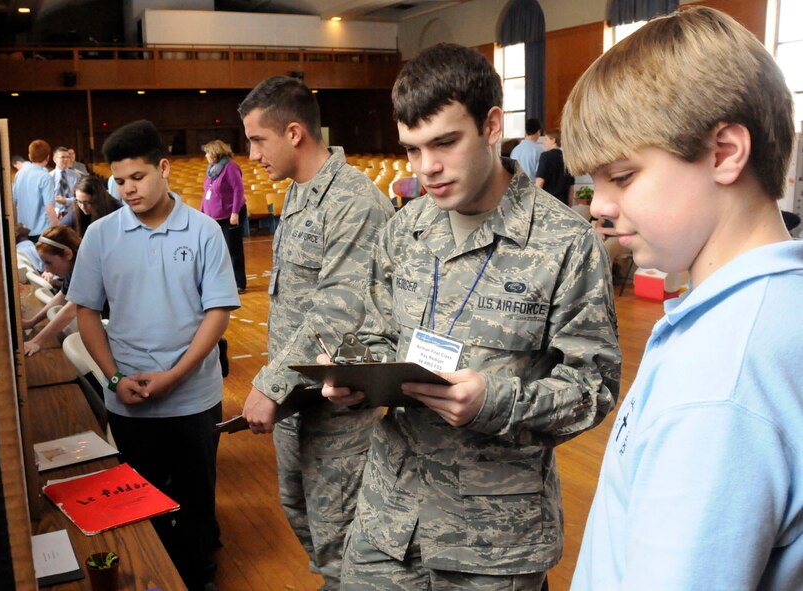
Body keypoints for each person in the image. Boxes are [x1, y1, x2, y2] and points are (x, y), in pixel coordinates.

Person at [322, 43, 621, 590]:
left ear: (490, 126)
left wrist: (495, 401)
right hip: (388, 523)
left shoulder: (566, 243)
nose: (426, 168)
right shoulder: (404, 228)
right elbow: (376, 334)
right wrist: (353, 374)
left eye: (444, 142)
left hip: (493, 543)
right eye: (411, 150)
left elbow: (594, 387)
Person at [561, 8, 802, 590]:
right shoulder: (770, 307)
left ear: (724, 153)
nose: (599, 204)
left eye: (623, 176)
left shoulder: (720, 379)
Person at [67, 119, 240, 591]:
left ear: (163, 168)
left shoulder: (204, 231)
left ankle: (199, 575)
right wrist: (113, 377)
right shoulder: (101, 235)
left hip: (193, 398)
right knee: (143, 499)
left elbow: (218, 312)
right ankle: (157, 576)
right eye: (119, 180)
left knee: (196, 498)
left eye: (138, 177)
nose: (128, 189)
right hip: (129, 398)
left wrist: (177, 376)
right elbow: (86, 314)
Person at [238, 75, 395, 589]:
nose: (253, 153)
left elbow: (338, 308)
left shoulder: (352, 200)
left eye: (259, 140)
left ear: (294, 132)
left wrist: (269, 382)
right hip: (296, 402)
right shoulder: (302, 194)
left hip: (336, 409)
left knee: (343, 537)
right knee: (302, 513)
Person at [22, 226, 81, 356]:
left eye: (49, 263)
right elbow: (61, 296)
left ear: (67, 254)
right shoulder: (74, 268)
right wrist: (32, 322)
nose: (46, 270)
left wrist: (37, 341)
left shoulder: (86, 268)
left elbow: (71, 309)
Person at [201, 139, 247, 292]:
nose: (206, 156)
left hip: (229, 216)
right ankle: (223, 282)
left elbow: (238, 190)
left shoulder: (230, 167)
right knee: (217, 251)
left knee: (233, 250)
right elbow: (206, 193)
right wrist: (202, 212)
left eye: (207, 152)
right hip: (213, 217)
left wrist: (235, 212)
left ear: (215, 153)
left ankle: (239, 283)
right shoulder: (212, 169)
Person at [13, 139, 57, 241]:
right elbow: (49, 208)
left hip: (23, 231)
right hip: (42, 231)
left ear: (29, 156)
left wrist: (15, 226)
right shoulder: (45, 176)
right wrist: (57, 229)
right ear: (48, 157)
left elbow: (13, 203)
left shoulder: (19, 174)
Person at [535, 128, 573, 205]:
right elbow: (571, 186)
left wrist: (534, 199)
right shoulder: (567, 158)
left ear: (553, 140)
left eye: (546, 139)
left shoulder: (545, 156)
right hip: (563, 203)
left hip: (548, 203)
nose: (543, 142)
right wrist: (570, 205)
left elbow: (540, 181)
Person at [50, 146, 82, 214]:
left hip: (74, 212)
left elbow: (79, 198)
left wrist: (66, 201)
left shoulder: (76, 176)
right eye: (63, 157)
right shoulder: (49, 177)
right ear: (55, 159)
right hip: (55, 213)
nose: (66, 159)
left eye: (68, 157)